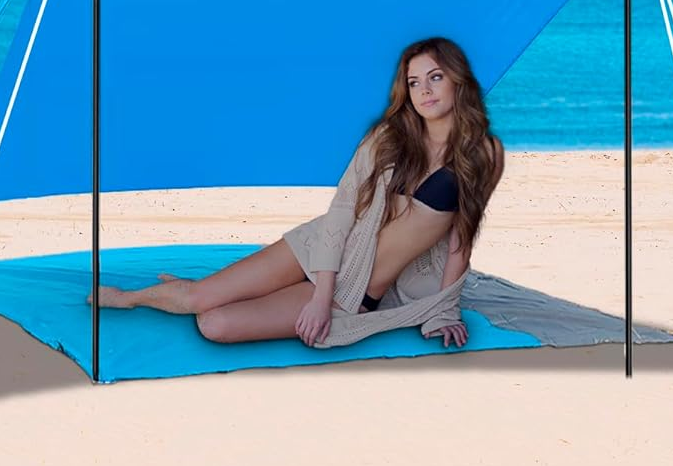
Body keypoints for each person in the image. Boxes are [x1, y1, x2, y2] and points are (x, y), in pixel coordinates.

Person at [90, 36, 506, 351]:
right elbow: (343, 210)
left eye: (435, 77)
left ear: (458, 80)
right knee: (200, 296)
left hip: (357, 288)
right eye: (414, 82)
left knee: (214, 324)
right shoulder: (388, 136)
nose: (425, 91)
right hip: (319, 246)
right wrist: (318, 297)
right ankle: (130, 298)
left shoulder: (484, 152)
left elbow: (460, 237)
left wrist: (442, 309)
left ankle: (213, 288)